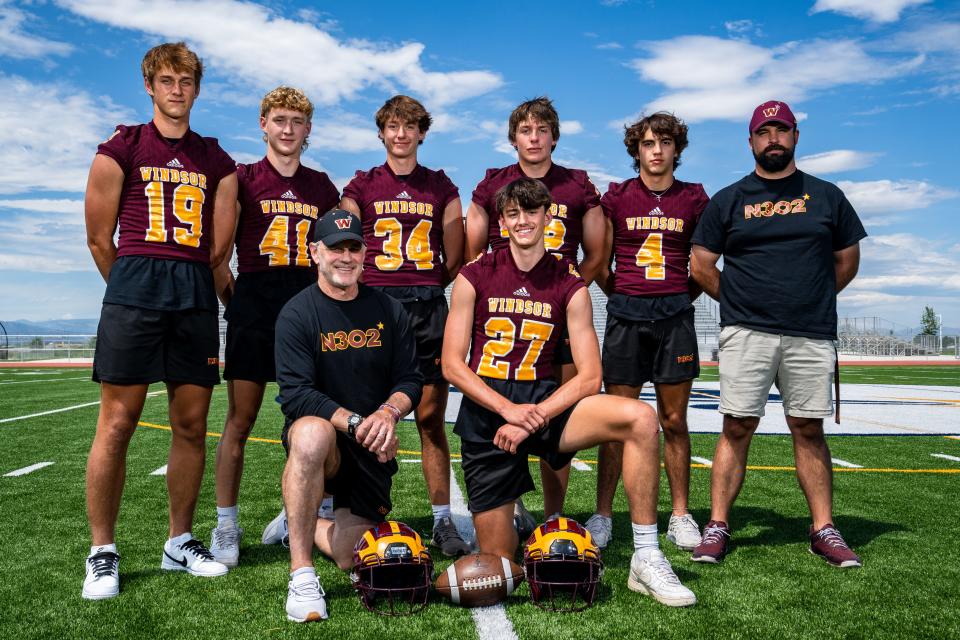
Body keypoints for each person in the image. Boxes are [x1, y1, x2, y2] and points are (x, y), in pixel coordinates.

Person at [443, 177, 696, 607]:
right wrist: (509, 411)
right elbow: (452, 364)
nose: (523, 221)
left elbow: (589, 376)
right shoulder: (475, 275)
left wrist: (533, 416)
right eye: (513, 214)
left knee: (640, 418)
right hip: (490, 415)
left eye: (531, 212)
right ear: (502, 221)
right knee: (503, 567)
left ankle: (647, 555)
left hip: (546, 404)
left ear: (547, 216)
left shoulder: (569, 282)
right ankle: (520, 525)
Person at [82, 42, 238, 600]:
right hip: (136, 289)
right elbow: (101, 239)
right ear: (149, 85)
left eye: (187, 81)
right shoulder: (121, 146)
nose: (177, 90)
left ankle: (179, 541)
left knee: (192, 425)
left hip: (194, 292)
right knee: (118, 425)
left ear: (197, 88)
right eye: (167, 80)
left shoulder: (215, 159)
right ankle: (102, 551)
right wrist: (129, 291)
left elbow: (219, 251)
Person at [689, 100, 866, 568]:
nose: (773, 138)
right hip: (747, 331)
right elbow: (702, 266)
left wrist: (810, 296)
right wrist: (742, 302)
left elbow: (846, 260)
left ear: (795, 136)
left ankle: (823, 527)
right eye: (763, 131)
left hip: (809, 332)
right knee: (736, 426)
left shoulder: (826, 195)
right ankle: (718, 525)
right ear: (750, 141)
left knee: (808, 428)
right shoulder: (728, 199)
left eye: (781, 130)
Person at [208, 87, 340, 567]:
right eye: (279, 119)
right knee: (239, 421)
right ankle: (226, 524)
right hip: (256, 304)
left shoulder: (322, 187)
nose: (288, 129)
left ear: (308, 130)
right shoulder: (241, 179)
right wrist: (237, 302)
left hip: (306, 309)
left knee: (313, 420)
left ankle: (308, 512)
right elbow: (218, 256)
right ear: (263, 123)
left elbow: (335, 251)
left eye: (297, 121)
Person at [275, 209, 423, 622]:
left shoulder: (390, 311)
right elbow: (297, 395)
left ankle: (295, 521)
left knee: (348, 556)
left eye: (353, 247)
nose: (345, 257)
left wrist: (388, 414)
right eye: (334, 248)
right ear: (315, 253)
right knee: (309, 435)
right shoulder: (296, 314)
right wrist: (358, 423)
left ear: (364, 254)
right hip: (329, 437)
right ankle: (301, 573)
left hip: (369, 447)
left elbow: (411, 379)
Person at [464, 96, 607, 524]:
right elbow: (474, 252)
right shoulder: (493, 184)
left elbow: (597, 254)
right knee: (499, 404)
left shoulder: (577, 185)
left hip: (557, 313)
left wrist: (563, 296)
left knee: (554, 423)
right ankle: (507, 503)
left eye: (542, 130)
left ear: (554, 137)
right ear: (513, 138)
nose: (534, 137)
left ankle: (554, 514)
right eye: (526, 130)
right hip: (504, 314)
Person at [339, 95, 469, 556]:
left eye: (409, 127)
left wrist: (423, 284)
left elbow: (454, 258)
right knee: (368, 416)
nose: (400, 134)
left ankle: (441, 520)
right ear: (381, 132)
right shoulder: (361, 185)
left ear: (421, 133)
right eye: (393, 126)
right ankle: (365, 512)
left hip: (427, 307)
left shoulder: (440, 186)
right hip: (374, 308)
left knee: (430, 419)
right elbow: (346, 245)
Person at [586, 112, 709, 551]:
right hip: (626, 317)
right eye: (648, 143)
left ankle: (679, 514)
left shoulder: (694, 198)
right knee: (619, 419)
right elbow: (599, 261)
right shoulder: (617, 196)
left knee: (674, 420)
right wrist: (622, 293)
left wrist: (679, 296)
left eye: (665, 142)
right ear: (636, 149)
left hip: (674, 318)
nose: (657, 150)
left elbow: (704, 263)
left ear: (677, 149)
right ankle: (603, 513)